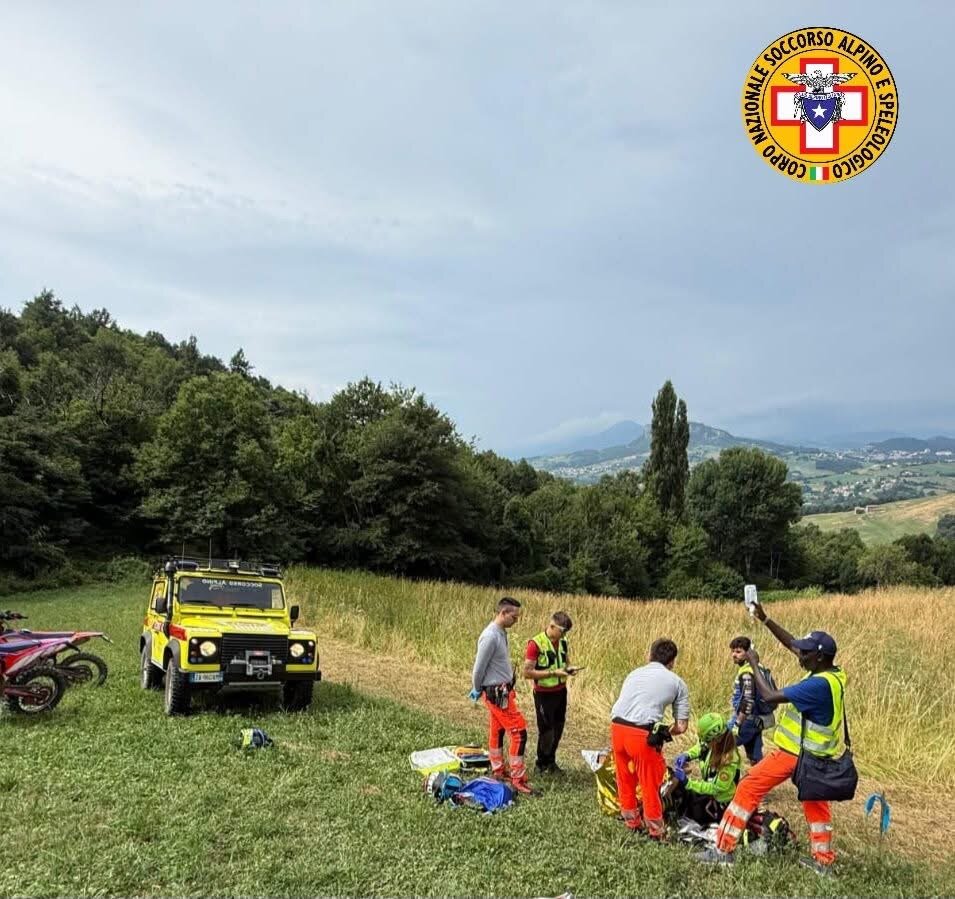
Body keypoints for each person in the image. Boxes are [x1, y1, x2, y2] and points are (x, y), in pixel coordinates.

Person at [697, 603, 847, 876]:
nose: (800, 655)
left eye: (806, 653)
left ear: (819, 657)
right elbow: (792, 644)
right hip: (816, 756)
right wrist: (765, 619)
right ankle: (823, 861)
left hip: (793, 753)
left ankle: (723, 850)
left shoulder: (815, 685)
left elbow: (769, 697)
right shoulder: (834, 675)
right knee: (816, 806)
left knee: (748, 787)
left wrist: (753, 662)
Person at [609, 638, 690, 840]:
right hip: (642, 734)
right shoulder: (677, 682)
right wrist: (664, 732)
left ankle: (631, 821)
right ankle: (656, 830)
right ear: (672, 662)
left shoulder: (634, 673)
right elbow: (681, 726)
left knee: (625, 778)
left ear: (650, 655)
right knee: (649, 783)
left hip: (617, 728)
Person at [470, 596, 533, 795]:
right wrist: (477, 688)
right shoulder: (490, 636)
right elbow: (478, 668)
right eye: (514, 617)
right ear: (503, 613)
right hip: (496, 694)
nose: (516, 621)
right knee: (519, 733)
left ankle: (498, 769)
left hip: (503, 690)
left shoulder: (501, 632)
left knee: (497, 731)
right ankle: (518, 779)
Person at [523, 610, 578, 775]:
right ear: (552, 626)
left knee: (558, 727)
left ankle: (551, 761)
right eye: (562, 631)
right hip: (544, 693)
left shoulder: (563, 641)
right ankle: (541, 764)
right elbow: (527, 673)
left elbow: (565, 660)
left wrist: (569, 669)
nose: (564, 635)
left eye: (566, 632)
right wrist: (554, 673)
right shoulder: (535, 644)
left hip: (560, 691)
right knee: (547, 730)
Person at [671, 712, 741, 826]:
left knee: (694, 815)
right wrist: (687, 755)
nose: (704, 743)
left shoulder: (729, 760)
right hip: (709, 793)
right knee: (683, 799)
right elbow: (700, 747)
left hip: (720, 803)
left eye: (707, 741)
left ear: (716, 739)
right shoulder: (713, 743)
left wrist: (688, 782)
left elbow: (716, 788)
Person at [728, 635, 774, 763]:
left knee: (722, 745)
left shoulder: (747, 672)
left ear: (748, 653)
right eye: (733, 651)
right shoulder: (758, 668)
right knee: (755, 758)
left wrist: (737, 723)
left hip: (748, 719)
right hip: (758, 720)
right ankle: (760, 781)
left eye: (738, 652)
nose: (734, 655)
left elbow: (748, 701)